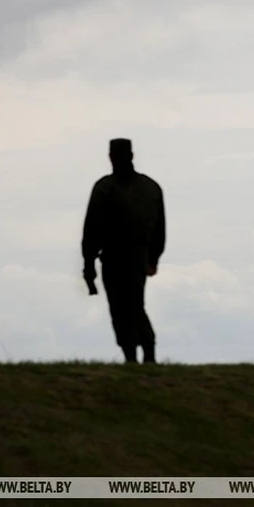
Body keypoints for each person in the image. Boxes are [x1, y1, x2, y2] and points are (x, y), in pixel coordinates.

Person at [82, 138, 166, 364]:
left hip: (117, 257)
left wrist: (89, 264)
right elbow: (160, 229)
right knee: (133, 305)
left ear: (111, 157)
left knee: (123, 307)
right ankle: (143, 354)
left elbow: (91, 230)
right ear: (132, 155)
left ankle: (138, 355)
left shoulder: (104, 187)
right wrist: (153, 258)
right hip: (137, 257)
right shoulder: (150, 187)